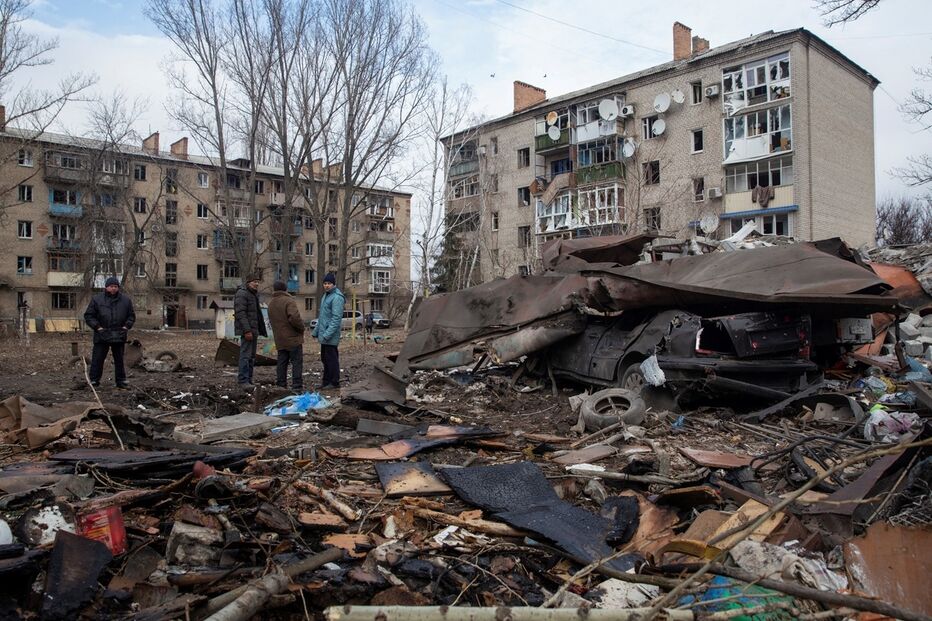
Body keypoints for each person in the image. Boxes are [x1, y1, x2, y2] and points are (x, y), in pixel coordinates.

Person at [83, 276, 135, 388]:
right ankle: (94, 380)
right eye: (111, 286)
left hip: (119, 334)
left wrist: (126, 327)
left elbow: (131, 316)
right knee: (97, 359)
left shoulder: (126, 300)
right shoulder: (97, 299)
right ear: (106, 287)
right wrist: (98, 327)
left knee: (119, 360)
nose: (113, 289)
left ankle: (121, 381)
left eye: (115, 286)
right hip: (102, 335)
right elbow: (89, 316)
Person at [268, 280, 305, 391]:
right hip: (293, 338)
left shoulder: (271, 303)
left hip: (279, 338)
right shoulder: (289, 301)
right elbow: (294, 318)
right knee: (296, 363)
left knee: (282, 362)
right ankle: (297, 387)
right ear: (285, 289)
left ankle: (281, 386)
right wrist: (301, 328)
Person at [311, 273, 345, 389]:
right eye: (325, 283)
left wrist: (327, 334)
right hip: (324, 335)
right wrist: (316, 331)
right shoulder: (326, 296)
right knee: (325, 359)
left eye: (329, 283)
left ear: (333, 284)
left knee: (331, 359)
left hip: (330, 335)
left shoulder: (337, 297)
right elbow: (322, 317)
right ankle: (326, 381)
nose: (326, 285)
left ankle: (334, 382)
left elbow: (336, 319)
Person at [233, 274, 267, 390]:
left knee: (251, 356)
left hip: (253, 330)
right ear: (248, 282)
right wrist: (247, 330)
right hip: (247, 330)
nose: (257, 284)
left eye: (258, 282)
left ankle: (249, 379)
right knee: (245, 355)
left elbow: (256, 314)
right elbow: (241, 313)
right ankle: (243, 380)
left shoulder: (253, 294)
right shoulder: (242, 294)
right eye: (254, 282)